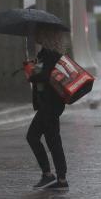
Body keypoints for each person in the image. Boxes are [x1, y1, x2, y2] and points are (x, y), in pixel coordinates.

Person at [24, 26, 68, 188]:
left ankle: (48, 174)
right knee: (53, 140)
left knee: (32, 136)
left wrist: (31, 76)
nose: (35, 35)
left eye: (38, 32)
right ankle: (61, 179)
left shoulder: (49, 54)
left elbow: (46, 76)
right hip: (53, 103)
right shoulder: (49, 53)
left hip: (50, 104)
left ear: (45, 35)